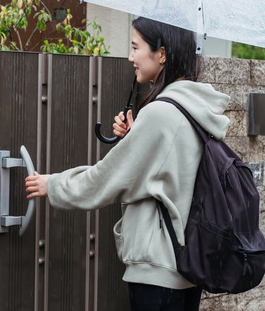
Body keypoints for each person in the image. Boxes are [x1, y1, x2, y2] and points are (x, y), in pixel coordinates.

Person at [25, 17, 231, 311]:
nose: (131, 57)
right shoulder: (195, 108)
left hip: (158, 271)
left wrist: (54, 184)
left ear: (161, 54)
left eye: (136, 47)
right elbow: (173, 170)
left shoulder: (160, 114)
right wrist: (136, 136)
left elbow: (107, 179)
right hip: (188, 266)